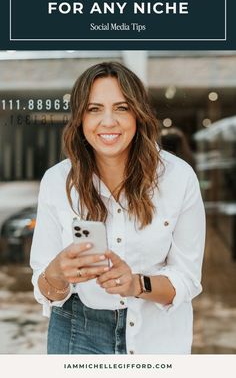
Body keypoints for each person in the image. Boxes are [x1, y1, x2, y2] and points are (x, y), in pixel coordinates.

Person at [30, 61, 205, 355]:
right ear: (80, 118)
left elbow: (187, 279)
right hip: (76, 331)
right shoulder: (57, 181)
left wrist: (136, 284)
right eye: (94, 109)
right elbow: (45, 289)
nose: (108, 121)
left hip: (156, 336)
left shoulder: (178, 178)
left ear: (138, 114)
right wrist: (56, 274)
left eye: (122, 108)